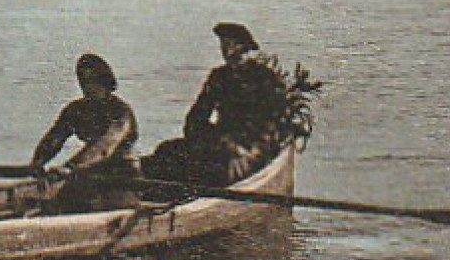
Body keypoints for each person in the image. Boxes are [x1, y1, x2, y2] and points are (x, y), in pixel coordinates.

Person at [144, 23, 289, 186]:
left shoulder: (266, 79)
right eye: (223, 44)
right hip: (220, 142)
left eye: (230, 44)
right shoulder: (219, 77)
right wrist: (207, 137)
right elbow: (196, 117)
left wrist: (241, 143)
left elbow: (270, 126)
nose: (225, 50)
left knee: (222, 166)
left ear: (243, 47)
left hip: (251, 147)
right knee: (168, 150)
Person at [30, 54, 141, 214]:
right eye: (84, 81)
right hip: (90, 173)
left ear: (106, 83)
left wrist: (70, 167)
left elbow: (104, 147)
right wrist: (37, 162)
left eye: (93, 81)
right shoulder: (76, 110)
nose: (88, 87)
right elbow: (54, 139)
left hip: (122, 177)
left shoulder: (121, 112)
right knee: (57, 203)